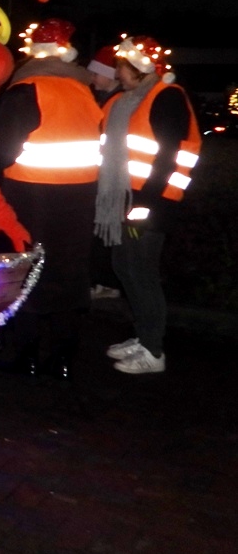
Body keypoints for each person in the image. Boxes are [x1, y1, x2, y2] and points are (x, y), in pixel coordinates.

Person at [0, 19, 104, 378]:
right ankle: (63, 355)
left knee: (27, 269)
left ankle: (24, 352)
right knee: (69, 271)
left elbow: (1, 151)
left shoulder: (27, 90)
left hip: (32, 196)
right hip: (80, 196)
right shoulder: (84, 91)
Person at [95, 35, 201, 375]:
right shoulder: (123, 100)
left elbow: (167, 155)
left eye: (122, 67)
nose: (117, 73)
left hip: (151, 201)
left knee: (141, 272)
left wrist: (145, 203)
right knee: (125, 267)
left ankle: (153, 350)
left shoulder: (166, 96)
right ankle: (144, 336)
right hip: (125, 198)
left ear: (139, 68)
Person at [85, 44, 125, 300]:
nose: (92, 78)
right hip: (105, 175)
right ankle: (102, 281)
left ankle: (106, 283)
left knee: (105, 231)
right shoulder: (107, 99)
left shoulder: (115, 102)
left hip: (111, 178)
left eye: (96, 73)